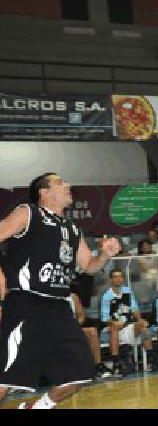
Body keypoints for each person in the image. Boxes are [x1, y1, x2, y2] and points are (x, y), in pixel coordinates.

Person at [0, 173, 122, 409]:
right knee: (4, 380)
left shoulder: (73, 228)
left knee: (80, 374)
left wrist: (106, 254)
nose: (68, 185)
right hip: (27, 304)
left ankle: (37, 407)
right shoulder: (28, 213)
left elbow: (88, 266)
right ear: (43, 193)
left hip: (59, 308)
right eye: (59, 182)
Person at [101, 268, 157, 375]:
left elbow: (135, 309)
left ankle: (151, 359)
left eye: (120, 276)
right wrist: (114, 322)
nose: (118, 278)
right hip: (114, 328)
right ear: (111, 280)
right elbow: (105, 319)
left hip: (128, 325)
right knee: (114, 328)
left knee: (143, 326)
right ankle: (116, 363)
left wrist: (140, 320)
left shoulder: (127, 291)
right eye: (115, 276)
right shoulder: (107, 296)